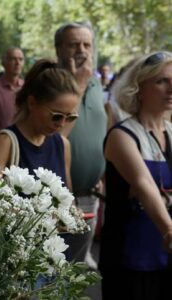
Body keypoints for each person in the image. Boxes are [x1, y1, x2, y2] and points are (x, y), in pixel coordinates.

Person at [99, 51, 172, 299]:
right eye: (162, 81)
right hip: (131, 261)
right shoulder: (122, 135)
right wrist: (169, 231)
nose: (171, 89)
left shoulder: (171, 131)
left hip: (165, 258)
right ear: (138, 88)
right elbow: (145, 185)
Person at [55, 21, 107, 265]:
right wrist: (80, 83)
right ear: (58, 50)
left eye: (87, 44)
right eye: (74, 44)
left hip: (91, 196)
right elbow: (54, 139)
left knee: (80, 270)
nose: (82, 50)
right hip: (60, 198)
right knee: (59, 270)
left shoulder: (97, 85)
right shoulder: (51, 82)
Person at [0, 59, 80, 191]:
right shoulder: (6, 142)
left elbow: (67, 199)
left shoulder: (63, 145)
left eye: (70, 117)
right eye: (56, 116)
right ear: (32, 103)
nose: (62, 124)